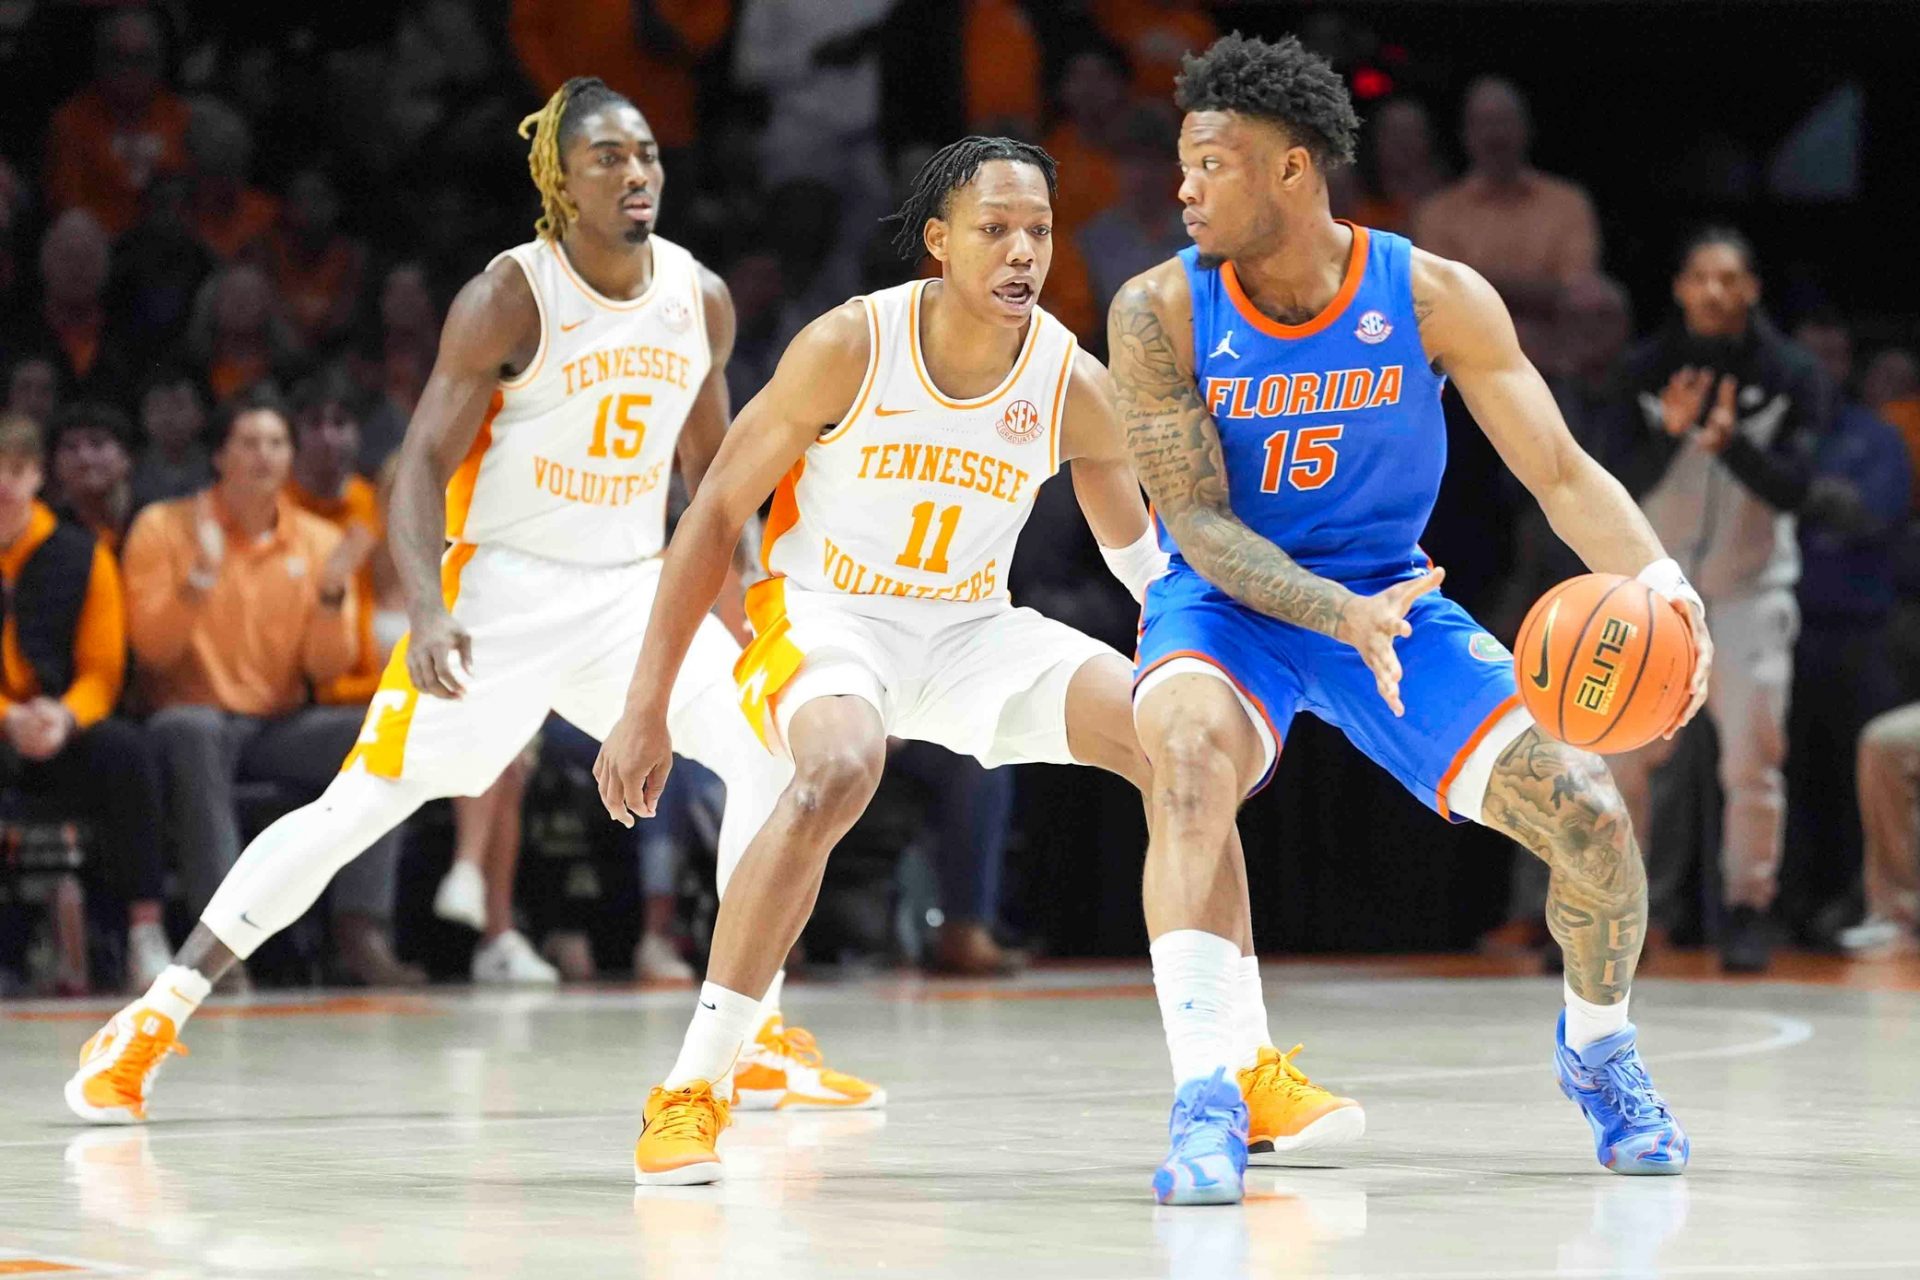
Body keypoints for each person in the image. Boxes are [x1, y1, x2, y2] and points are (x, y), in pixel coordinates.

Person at [63, 77, 802, 1126]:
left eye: (646, 154)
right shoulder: (509, 294)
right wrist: (431, 605)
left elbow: (716, 485)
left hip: (630, 592)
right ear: (560, 179)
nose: (637, 174)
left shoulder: (702, 297)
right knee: (361, 805)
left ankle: (755, 1033)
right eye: (608, 158)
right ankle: (154, 1013)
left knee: (771, 750)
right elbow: (416, 468)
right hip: (501, 590)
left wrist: (762, 610)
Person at [1107, 34, 1711, 1204]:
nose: (1183, 188)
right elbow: (1198, 521)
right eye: (1184, 165)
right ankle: (1207, 1096)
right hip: (1231, 604)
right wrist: (1334, 611)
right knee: (1180, 761)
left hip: (1395, 598)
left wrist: (1667, 590)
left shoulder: (1431, 294)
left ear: (1291, 170)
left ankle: (1601, 1053)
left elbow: (1560, 469)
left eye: (1211, 164)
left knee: (1590, 815)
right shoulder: (1155, 310)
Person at [597, 136, 1167, 1186]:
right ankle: (692, 1086)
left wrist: (1192, 649)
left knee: (1177, 741)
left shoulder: (1069, 377)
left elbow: (1130, 533)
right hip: (828, 615)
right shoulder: (852, 345)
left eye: (1038, 231)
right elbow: (718, 504)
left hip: (970, 630)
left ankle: (1234, 1066)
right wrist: (646, 704)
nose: (1022, 253)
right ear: (940, 242)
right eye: (996, 229)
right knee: (839, 767)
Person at [118, 388, 415, 994]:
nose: (265, 456)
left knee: (382, 730)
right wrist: (200, 576)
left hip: (275, 725)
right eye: (249, 443)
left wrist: (333, 596)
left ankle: (361, 928)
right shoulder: (162, 527)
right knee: (192, 731)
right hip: (190, 715)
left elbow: (326, 668)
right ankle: (220, 948)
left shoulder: (317, 540)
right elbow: (151, 651)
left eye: (277, 443)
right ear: (219, 457)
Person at [1603, 228, 1830, 974]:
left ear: (1752, 289)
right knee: (1626, 760)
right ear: (1678, 287)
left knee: (1751, 760)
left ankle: (1746, 908)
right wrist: (1671, 437)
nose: (1714, 292)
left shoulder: (1791, 374)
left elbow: (1799, 488)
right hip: (1654, 593)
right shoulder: (1643, 370)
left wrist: (1732, 445)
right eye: (1700, 277)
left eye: (1729, 279)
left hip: (1749, 591)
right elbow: (1604, 480)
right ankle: (1624, 911)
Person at [0, 413, 170, 989]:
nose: (4, 484)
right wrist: (8, 717)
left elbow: (103, 671)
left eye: (17, 470)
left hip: (60, 726)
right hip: (4, 726)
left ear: (37, 477)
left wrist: (64, 715)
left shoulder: (80, 554)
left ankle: (144, 932)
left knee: (125, 749)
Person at [1410, 77, 1601, 368]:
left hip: (1559, 368)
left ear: (1526, 128)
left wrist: (1480, 280)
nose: (1495, 134)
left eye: (1504, 121)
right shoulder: (1435, 212)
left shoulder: (1568, 202)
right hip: (1464, 368)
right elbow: (1442, 301)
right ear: (1465, 134)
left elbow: (1576, 295)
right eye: (1483, 123)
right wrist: (1536, 294)